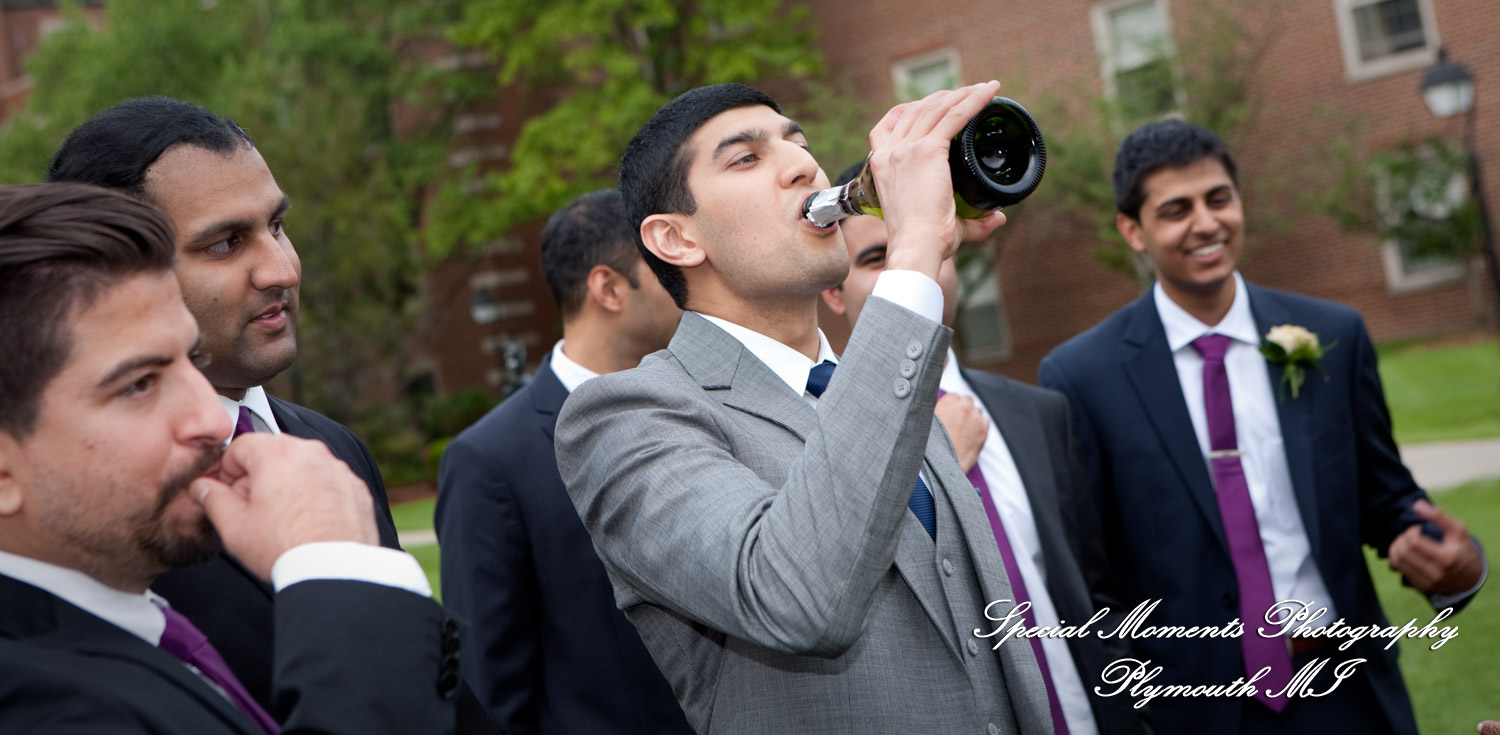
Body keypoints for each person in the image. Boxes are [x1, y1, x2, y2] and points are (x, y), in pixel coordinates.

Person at [555, 81, 1054, 734]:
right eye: (746, 158)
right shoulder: (620, 416)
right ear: (675, 239)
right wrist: (911, 264)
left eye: (800, 143)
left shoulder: (882, 386)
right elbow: (795, 598)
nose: (803, 165)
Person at [1038, 119, 1486, 734]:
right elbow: (1091, 575)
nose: (1205, 223)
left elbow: (1386, 501)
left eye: (1218, 199)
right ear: (1132, 230)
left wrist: (1457, 568)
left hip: (1345, 695)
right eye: (1176, 209)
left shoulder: (1333, 336)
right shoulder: (1080, 377)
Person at [0, 183, 460, 734]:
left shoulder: (125, 622)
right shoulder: (38, 707)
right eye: (139, 384)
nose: (216, 422)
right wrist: (339, 573)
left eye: (192, 359)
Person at [43, 97, 411, 717]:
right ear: (116, 268)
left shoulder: (333, 448)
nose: (281, 268)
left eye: (277, 226)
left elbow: (432, 690)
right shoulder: (93, 509)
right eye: (224, 244)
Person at [818, 162, 1147, 735]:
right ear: (833, 292)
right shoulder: (818, 437)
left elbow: (1095, 589)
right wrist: (931, 452)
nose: (910, 268)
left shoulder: (1038, 413)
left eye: (925, 248)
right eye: (879, 258)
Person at [435, 189, 689, 733]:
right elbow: (490, 685)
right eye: (668, 270)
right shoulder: (492, 461)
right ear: (609, 288)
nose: (689, 284)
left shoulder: (705, 405)